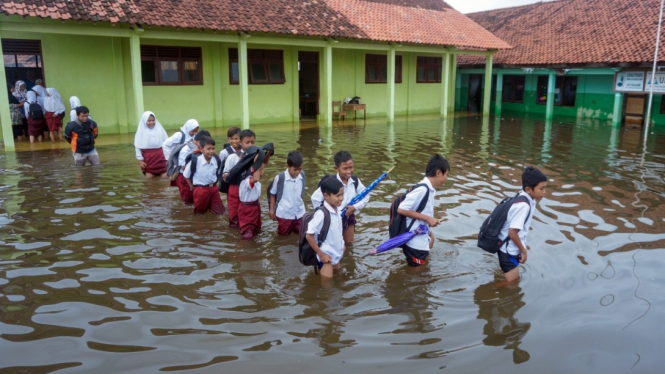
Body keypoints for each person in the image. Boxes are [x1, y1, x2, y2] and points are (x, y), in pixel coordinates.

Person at [396, 154, 450, 267]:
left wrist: (429, 230)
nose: (446, 179)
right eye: (446, 174)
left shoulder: (428, 189)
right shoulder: (422, 190)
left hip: (420, 239)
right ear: (438, 172)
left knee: (420, 272)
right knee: (416, 276)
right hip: (415, 243)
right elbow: (401, 209)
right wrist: (428, 218)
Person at [497, 167, 547, 284]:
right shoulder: (524, 206)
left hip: (505, 247)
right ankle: (487, 289)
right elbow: (512, 232)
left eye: (545, 188)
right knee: (512, 284)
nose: (544, 192)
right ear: (528, 189)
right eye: (541, 188)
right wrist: (523, 251)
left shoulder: (522, 196)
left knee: (511, 279)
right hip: (509, 250)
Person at [311, 150, 369, 245]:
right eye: (345, 168)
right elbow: (315, 199)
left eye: (351, 167)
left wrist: (355, 207)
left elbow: (366, 195)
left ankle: (347, 258)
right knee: (333, 243)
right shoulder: (330, 182)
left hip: (348, 216)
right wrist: (323, 216)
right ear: (336, 168)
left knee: (349, 243)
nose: (349, 171)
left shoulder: (355, 181)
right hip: (332, 218)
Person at [306, 176, 345, 278]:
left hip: (336, 254)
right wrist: (321, 254)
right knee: (327, 289)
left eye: (342, 194)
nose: (341, 198)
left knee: (337, 279)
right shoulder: (321, 214)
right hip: (326, 258)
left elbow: (337, 231)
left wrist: (342, 245)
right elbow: (309, 235)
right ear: (326, 196)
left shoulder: (338, 210)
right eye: (338, 195)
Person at [183, 136, 225, 215]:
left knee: (219, 211)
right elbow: (186, 175)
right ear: (201, 149)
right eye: (208, 149)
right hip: (200, 190)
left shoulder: (216, 160)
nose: (211, 151)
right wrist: (191, 187)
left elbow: (218, 173)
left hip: (213, 189)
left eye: (213, 148)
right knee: (199, 213)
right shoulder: (195, 160)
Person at [223, 129, 256, 227]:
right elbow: (225, 176)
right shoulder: (232, 157)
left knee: (249, 217)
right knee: (234, 217)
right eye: (247, 142)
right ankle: (234, 237)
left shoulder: (256, 156)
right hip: (235, 189)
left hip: (249, 190)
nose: (250, 145)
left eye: (252, 142)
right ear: (240, 142)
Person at [269, 151, 305, 235]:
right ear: (287, 166)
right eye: (295, 169)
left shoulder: (302, 176)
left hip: (300, 213)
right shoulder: (280, 178)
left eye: (300, 169)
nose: (297, 172)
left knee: (300, 234)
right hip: (285, 215)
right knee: (283, 236)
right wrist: (271, 211)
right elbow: (272, 194)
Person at [176, 130, 211, 204]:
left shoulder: (196, 147)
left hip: (193, 177)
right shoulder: (186, 149)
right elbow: (183, 167)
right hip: (184, 178)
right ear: (200, 141)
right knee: (188, 201)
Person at [238, 153, 266, 239]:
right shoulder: (247, 180)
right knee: (247, 234)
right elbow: (256, 178)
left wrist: (268, 152)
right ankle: (244, 250)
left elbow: (264, 163)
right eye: (260, 169)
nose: (262, 172)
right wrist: (256, 162)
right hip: (248, 209)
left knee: (257, 230)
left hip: (255, 206)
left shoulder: (253, 180)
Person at [134, 111, 168, 178]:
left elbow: (167, 142)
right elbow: (137, 146)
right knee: (149, 179)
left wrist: (169, 157)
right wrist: (140, 160)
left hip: (161, 157)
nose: (151, 122)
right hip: (148, 159)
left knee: (165, 178)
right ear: (144, 121)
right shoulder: (140, 132)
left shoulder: (160, 130)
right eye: (149, 121)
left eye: (153, 120)